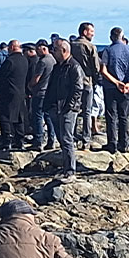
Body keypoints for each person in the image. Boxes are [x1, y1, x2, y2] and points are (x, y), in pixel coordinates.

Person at [43, 40, 84, 178]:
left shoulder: (74, 67)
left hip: (67, 108)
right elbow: (52, 86)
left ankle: (70, 170)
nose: (52, 52)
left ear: (64, 51)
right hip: (55, 107)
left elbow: (78, 88)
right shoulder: (57, 67)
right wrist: (47, 105)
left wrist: (70, 106)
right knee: (61, 138)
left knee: (67, 138)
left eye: (55, 49)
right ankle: (65, 167)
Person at [98, 27, 129, 153]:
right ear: (122, 36)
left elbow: (103, 70)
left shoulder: (108, 50)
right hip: (126, 87)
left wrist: (116, 82)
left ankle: (112, 143)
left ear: (111, 37)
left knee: (111, 116)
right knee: (124, 116)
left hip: (111, 86)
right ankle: (124, 143)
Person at [0, 40, 30, 151]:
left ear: (12, 47)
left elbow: (0, 77)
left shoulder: (10, 61)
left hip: (7, 92)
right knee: (19, 117)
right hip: (21, 92)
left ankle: (6, 141)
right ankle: (20, 141)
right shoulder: (24, 60)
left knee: (4, 117)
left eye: (8, 48)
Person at [70, 23, 99, 146]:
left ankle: (73, 135)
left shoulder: (71, 45)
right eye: (91, 31)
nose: (93, 34)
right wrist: (96, 79)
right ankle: (86, 138)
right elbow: (96, 67)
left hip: (72, 82)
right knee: (87, 111)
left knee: (73, 110)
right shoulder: (90, 46)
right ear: (85, 32)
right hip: (87, 81)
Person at [28, 39, 56, 151]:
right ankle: (51, 140)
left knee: (38, 116)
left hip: (40, 92)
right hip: (50, 92)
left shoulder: (43, 61)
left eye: (37, 49)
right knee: (49, 117)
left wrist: (29, 86)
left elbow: (36, 78)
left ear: (43, 48)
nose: (36, 52)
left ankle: (38, 141)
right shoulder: (54, 60)